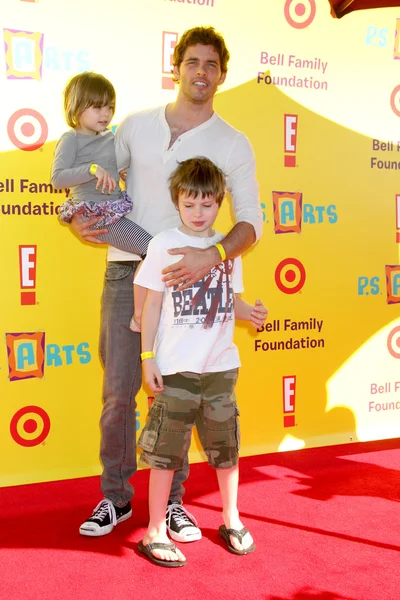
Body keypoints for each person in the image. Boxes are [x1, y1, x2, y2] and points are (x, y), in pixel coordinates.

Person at [69, 26, 263, 540]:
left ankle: (173, 503)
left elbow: (250, 222)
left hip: (188, 280)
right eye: (193, 61)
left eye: (212, 65)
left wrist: (212, 255)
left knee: (175, 393)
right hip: (125, 268)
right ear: (175, 66)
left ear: (223, 74)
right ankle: (116, 498)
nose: (202, 72)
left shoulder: (233, 143)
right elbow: (97, 184)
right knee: (118, 393)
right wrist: (80, 218)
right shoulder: (133, 126)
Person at [136, 157, 267, 567]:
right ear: (177, 202)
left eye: (207, 205)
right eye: (190, 204)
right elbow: (152, 305)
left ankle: (232, 517)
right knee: (165, 453)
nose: (198, 213)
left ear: (220, 204)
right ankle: (156, 529)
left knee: (226, 448)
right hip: (175, 368)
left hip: (221, 369)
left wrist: (251, 313)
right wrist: (147, 356)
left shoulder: (228, 249)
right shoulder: (162, 245)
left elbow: (230, 298)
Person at [51, 72, 151, 332]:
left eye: (110, 107)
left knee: (151, 252)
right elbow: (58, 179)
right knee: (152, 249)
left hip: (115, 207)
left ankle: (143, 311)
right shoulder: (70, 139)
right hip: (95, 213)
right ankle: (140, 314)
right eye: (97, 107)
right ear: (76, 106)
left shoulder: (110, 136)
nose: (105, 114)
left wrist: (122, 172)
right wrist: (92, 169)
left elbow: (114, 165)